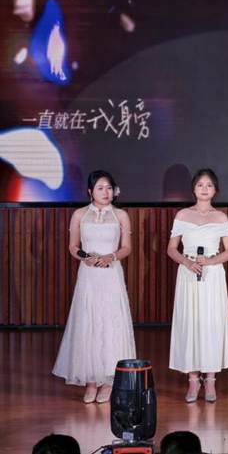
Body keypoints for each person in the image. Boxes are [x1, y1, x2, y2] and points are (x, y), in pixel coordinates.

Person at [52, 170, 136, 404]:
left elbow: (127, 247)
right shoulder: (80, 214)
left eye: (109, 188)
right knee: (87, 322)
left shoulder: (121, 215)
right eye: (100, 188)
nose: (105, 192)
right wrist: (85, 257)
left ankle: (108, 380)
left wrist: (111, 257)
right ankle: (90, 380)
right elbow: (73, 246)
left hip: (111, 274)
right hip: (88, 275)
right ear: (90, 191)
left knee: (111, 323)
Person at [167, 169, 228, 402]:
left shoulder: (221, 217)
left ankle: (211, 379)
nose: (204, 189)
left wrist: (210, 261)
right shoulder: (183, 215)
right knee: (190, 322)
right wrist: (187, 262)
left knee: (210, 323)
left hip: (212, 274)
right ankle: (193, 380)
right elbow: (171, 249)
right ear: (193, 189)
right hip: (188, 273)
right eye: (200, 185)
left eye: (209, 185)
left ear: (215, 190)